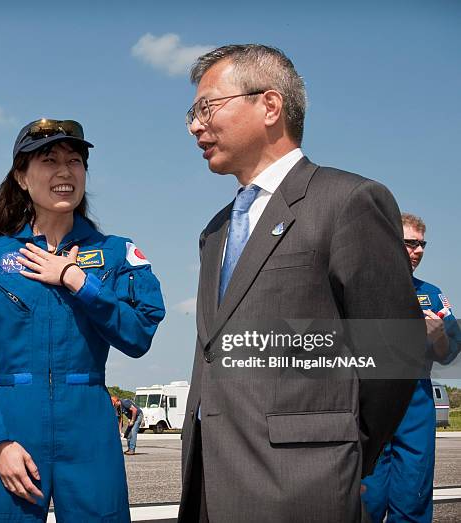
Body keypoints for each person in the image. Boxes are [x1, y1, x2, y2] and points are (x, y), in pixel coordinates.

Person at [178, 44, 426, 523]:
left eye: (207, 107)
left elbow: (395, 351)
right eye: (192, 113)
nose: (195, 125)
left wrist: (341, 454)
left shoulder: (347, 201)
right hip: (210, 483)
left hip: (304, 486)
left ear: (269, 106)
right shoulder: (215, 231)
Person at [0, 118, 165, 523]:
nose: (65, 171)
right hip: (12, 425)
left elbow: (138, 336)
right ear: (22, 177)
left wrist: (78, 281)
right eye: (49, 160)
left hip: (90, 430)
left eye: (75, 160)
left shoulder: (118, 254)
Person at [362, 213, 461, 522]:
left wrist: (439, 336)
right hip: (368, 407)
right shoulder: (360, 289)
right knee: (367, 499)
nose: (418, 251)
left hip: (414, 409)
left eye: (422, 244)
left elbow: (448, 354)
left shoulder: (432, 295)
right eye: (410, 243)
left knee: (412, 496)